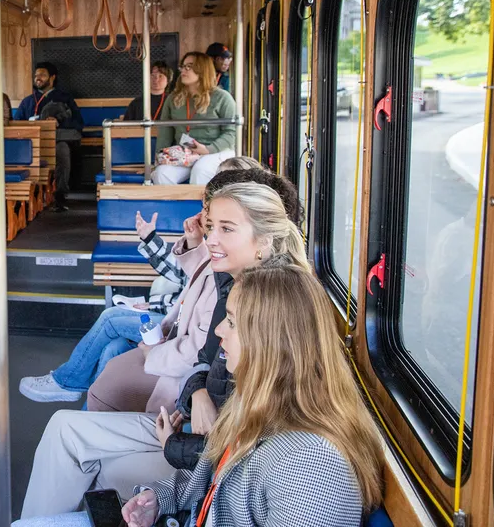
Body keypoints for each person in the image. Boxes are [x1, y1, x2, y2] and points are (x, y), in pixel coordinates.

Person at [15, 258, 384, 527]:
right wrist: (159, 499)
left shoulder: (310, 466)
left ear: (274, 344)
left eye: (234, 322)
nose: (220, 329)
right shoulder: (254, 405)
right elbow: (207, 481)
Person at [18, 178, 306, 519]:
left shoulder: (273, 310)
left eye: (225, 229)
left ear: (264, 241)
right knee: (65, 425)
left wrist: (175, 443)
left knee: (89, 423)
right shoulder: (233, 286)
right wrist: (197, 393)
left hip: (197, 447)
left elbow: (234, 450)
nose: (211, 239)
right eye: (211, 226)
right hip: (190, 431)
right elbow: (205, 362)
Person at [17, 158, 265, 404]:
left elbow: (190, 298)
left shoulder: (234, 267)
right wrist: (174, 241)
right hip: (173, 321)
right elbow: (190, 283)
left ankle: (68, 383)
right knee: (112, 347)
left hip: (175, 337)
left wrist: (156, 306)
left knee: (110, 320)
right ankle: (83, 405)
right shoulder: (215, 245)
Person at [152, 52, 238, 186]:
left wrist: (209, 149)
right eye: (183, 66)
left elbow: (231, 133)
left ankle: (201, 207)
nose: (183, 71)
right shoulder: (173, 98)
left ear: (203, 70)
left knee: (201, 170)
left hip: (216, 151)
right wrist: (158, 159)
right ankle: (173, 207)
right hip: (185, 152)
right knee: (161, 173)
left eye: (189, 67)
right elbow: (165, 132)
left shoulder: (222, 97)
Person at [16, 62, 84, 211]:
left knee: (63, 150)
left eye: (42, 75)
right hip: (31, 146)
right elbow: (16, 124)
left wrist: (58, 121)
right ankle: (22, 196)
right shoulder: (27, 101)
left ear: (52, 78)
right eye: (36, 76)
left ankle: (60, 195)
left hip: (55, 143)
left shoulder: (65, 98)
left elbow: (78, 123)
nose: (38, 78)